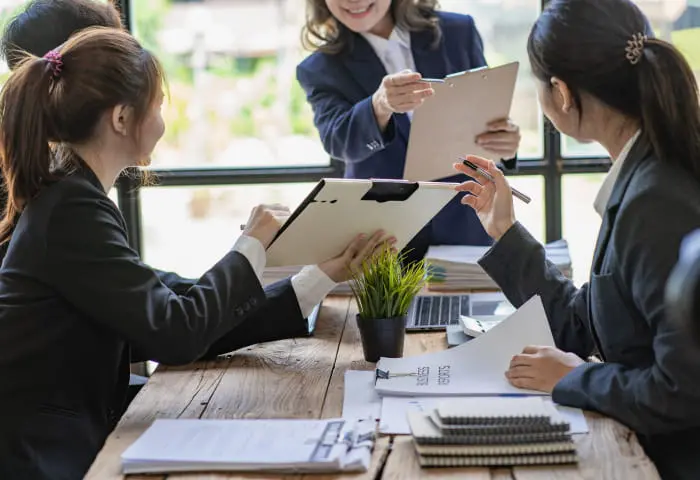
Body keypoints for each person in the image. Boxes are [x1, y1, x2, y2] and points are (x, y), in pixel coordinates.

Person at [0, 27, 392, 479]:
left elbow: (182, 311)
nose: (164, 123)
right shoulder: (71, 208)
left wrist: (320, 275)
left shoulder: (72, 196)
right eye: (158, 107)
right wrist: (250, 246)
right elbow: (178, 331)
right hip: (42, 459)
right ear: (122, 119)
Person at [453, 0, 700, 478]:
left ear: (562, 93)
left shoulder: (656, 200)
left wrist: (574, 378)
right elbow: (586, 326)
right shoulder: (642, 172)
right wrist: (503, 229)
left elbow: (683, 390)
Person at [297, 0, 522, 262]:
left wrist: (505, 145)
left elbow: (484, 116)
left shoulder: (458, 31)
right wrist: (379, 105)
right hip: (382, 237)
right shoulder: (319, 68)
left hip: (467, 222)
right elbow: (339, 140)